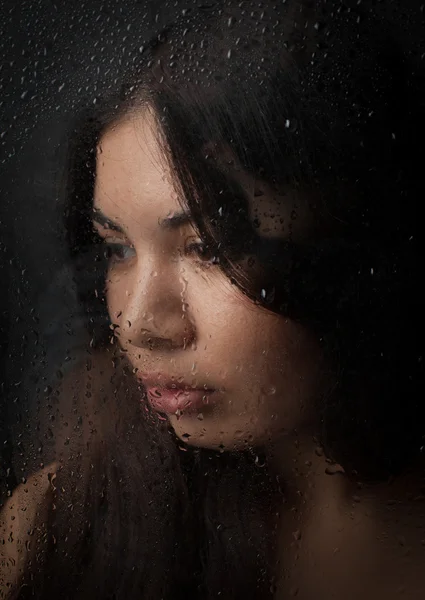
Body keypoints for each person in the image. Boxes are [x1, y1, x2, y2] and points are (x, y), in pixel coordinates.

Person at [1, 2, 423, 599]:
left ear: (355, 248)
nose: (140, 323)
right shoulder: (55, 530)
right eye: (116, 249)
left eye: (208, 249)